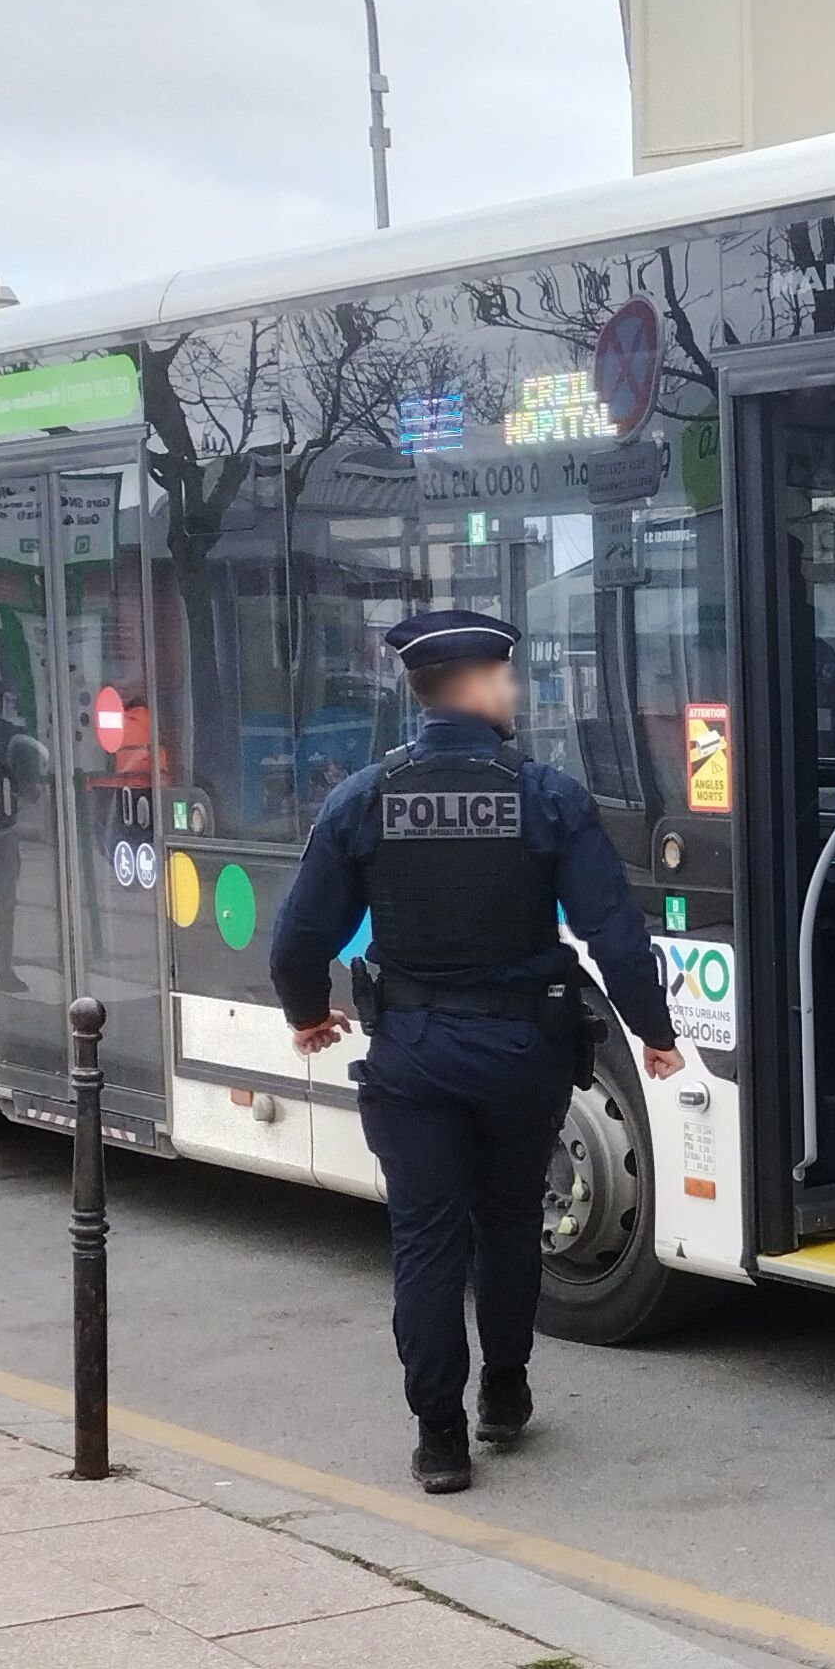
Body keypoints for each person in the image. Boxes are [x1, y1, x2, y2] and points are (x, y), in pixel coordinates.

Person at [270, 607, 681, 1493]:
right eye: (508, 677)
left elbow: (297, 943)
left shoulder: (363, 798)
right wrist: (655, 1033)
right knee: (506, 1224)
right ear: (482, 686)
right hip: (521, 1052)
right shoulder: (546, 795)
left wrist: (308, 1012)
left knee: (424, 1242)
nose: (514, 691)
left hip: (412, 1054)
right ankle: (504, 1392)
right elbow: (613, 931)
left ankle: (439, 1439)